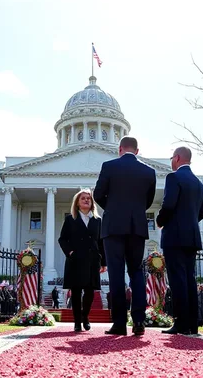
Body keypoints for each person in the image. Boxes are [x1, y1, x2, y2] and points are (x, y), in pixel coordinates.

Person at [94, 136, 156, 336]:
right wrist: (134, 212)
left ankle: (120, 323)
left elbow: (97, 195)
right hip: (137, 227)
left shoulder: (109, 166)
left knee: (116, 274)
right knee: (136, 272)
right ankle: (139, 321)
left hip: (113, 227)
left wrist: (111, 209)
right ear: (137, 151)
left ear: (119, 149)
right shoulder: (149, 171)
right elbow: (148, 201)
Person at [156, 147, 203, 335]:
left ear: (176, 158)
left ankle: (181, 323)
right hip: (191, 237)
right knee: (190, 280)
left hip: (174, 236)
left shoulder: (173, 177)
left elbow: (168, 204)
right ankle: (193, 324)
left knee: (177, 281)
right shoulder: (198, 183)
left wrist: (160, 222)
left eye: (171, 158)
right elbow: (201, 213)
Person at [58, 189, 106, 332]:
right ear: (77, 203)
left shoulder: (97, 220)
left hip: (92, 260)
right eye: (83, 198)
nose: (86, 200)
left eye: (88, 199)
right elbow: (62, 239)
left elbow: (101, 242)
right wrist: (70, 252)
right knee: (77, 291)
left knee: (90, 292)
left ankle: (85, 316)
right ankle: (77, 322)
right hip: (76, 259)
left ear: (92, 203)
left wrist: (104, 262)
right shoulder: (70, 219)